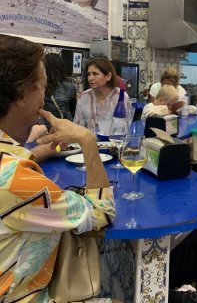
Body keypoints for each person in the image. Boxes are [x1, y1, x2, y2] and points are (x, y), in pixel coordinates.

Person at [0, 35, 115, 302]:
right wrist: (87, 140)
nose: (44, 97)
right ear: (21, 94)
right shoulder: (18, 182)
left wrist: (36, 150)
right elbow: (102, 213)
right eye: (42, 87)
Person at [74, 57, 129, 135]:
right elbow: (77, 125)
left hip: (113, 141)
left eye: (95, 74)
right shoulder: (83, 97)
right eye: (88, 74)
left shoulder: (120, 96)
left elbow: (124, 126)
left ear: (108, 76)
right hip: (88, 140)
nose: (90, 78)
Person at [42, 53, 77, 127]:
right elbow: (73, 110)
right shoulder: (69, 87)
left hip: (45, 126)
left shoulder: (40, 86)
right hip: (65, 126)